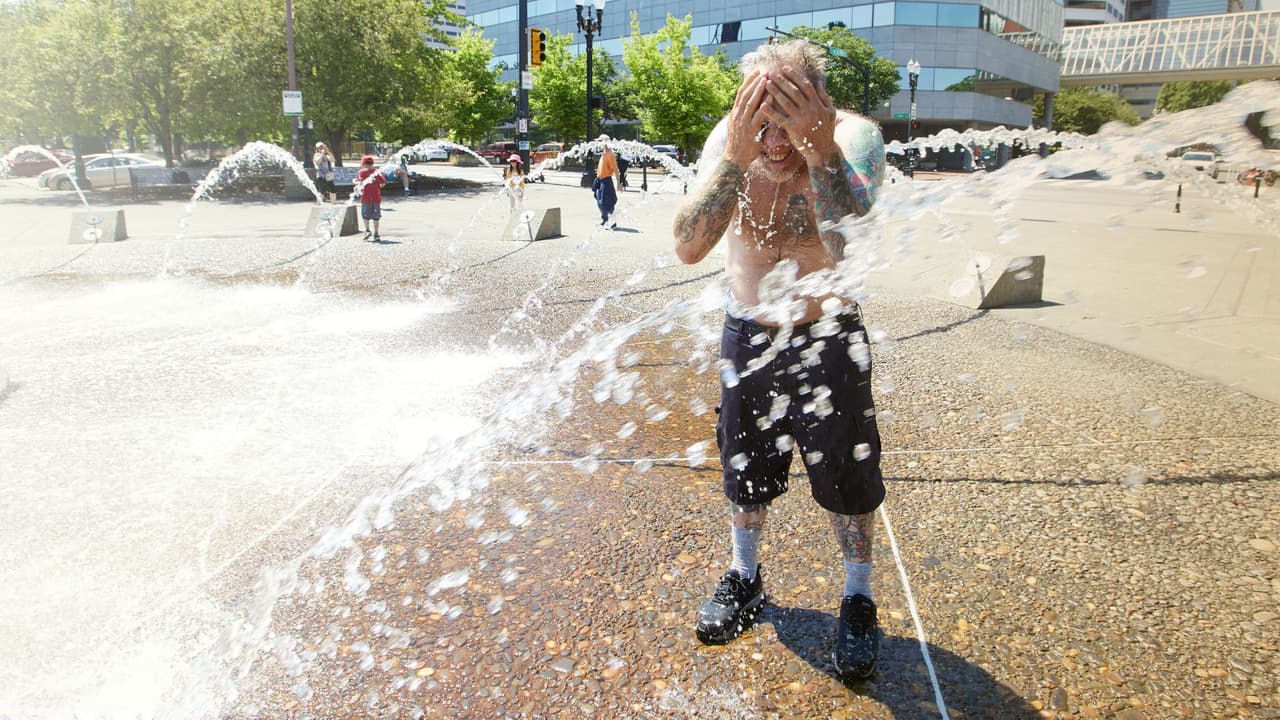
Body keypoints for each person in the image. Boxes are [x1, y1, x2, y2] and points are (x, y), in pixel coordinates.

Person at [670, 40, 887, 680]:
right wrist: (735, 157)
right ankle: (745, 574)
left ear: (817, 102)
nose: (772, 138)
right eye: (760, 117)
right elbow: (687, 247)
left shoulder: (856, 138)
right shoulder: (730, 141)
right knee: (743, 464)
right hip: (749, 330)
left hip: (828, 333)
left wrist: (819, 147)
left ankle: (857, 595)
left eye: (787, 117)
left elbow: (849, 246)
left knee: (848, 471)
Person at [356, 154, 387, 241]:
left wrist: (356, 185)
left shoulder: (362, 172)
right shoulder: (376, 172)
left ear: (363, 163)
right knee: (376, 216)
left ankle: (367, 230)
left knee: (365, 215)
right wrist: (378, 187)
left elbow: (361, 182)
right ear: (372, 163)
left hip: (366, 197)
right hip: (376, 197)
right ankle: (376, 233)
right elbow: (383, 183)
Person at [594, 144, 619, 227]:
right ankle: (605, 219)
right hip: (600, 180)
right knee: (600, 202)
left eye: (600, 142)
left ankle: (612, 221)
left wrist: (619, 183)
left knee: (607, 202)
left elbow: (615, 169)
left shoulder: (610, 154)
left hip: (606, 181)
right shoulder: (603, 153)